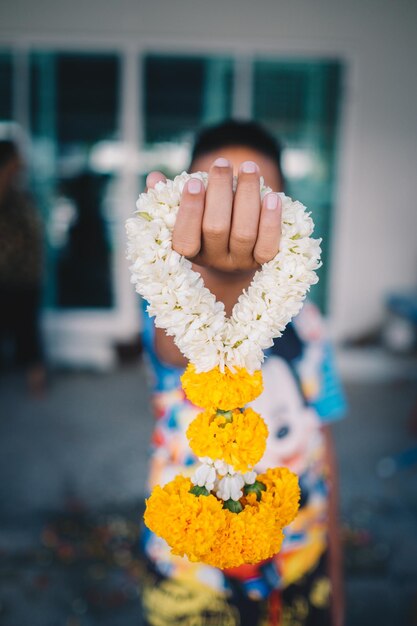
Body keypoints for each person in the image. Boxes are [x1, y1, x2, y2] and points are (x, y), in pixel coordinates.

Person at [139, 120, 347, 626]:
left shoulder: (311, 325)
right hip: (191, 579)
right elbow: (174, 349)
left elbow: (325, 449)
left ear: (283, 214)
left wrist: (337, 592)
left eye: (255, 197)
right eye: (217, 195)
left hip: (301, 563)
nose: (235, 217)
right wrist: (219, 276)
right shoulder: (169, 310)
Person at [0, 140, 45, 394]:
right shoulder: (5, 188)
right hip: (7, 274)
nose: (23, 163)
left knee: (27, 328)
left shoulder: (19, 191)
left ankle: (35, 381)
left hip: (25, 273)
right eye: (17, 158)